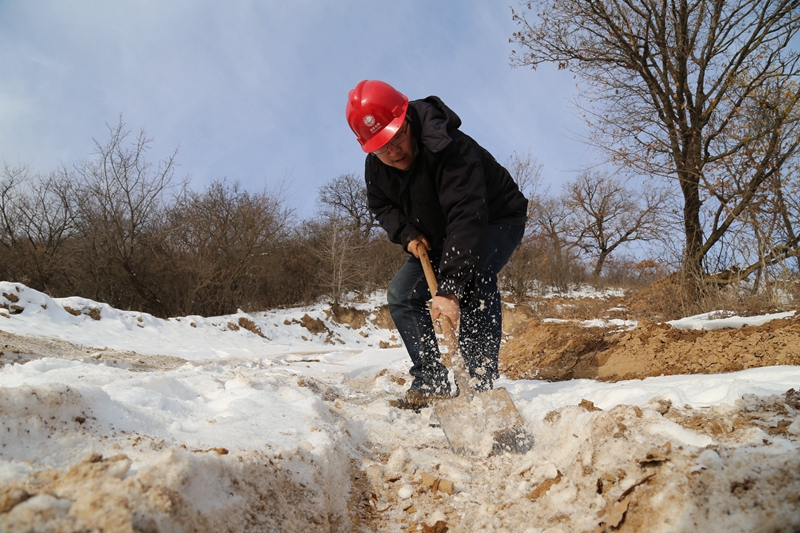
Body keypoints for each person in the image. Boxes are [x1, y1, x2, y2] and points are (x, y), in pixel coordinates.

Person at [345, 79, 528, 408]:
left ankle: (479, 384)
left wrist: (449, 289)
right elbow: (382, 206)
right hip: (440, 233)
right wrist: (406, 234)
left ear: (408, 121)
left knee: (475, 278)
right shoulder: (377, 166)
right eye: (380, 146)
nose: (393, 151)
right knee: (401, 295)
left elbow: (467, 215)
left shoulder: (449, 148)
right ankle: (431, 380)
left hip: (494, 218)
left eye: (397, 137)